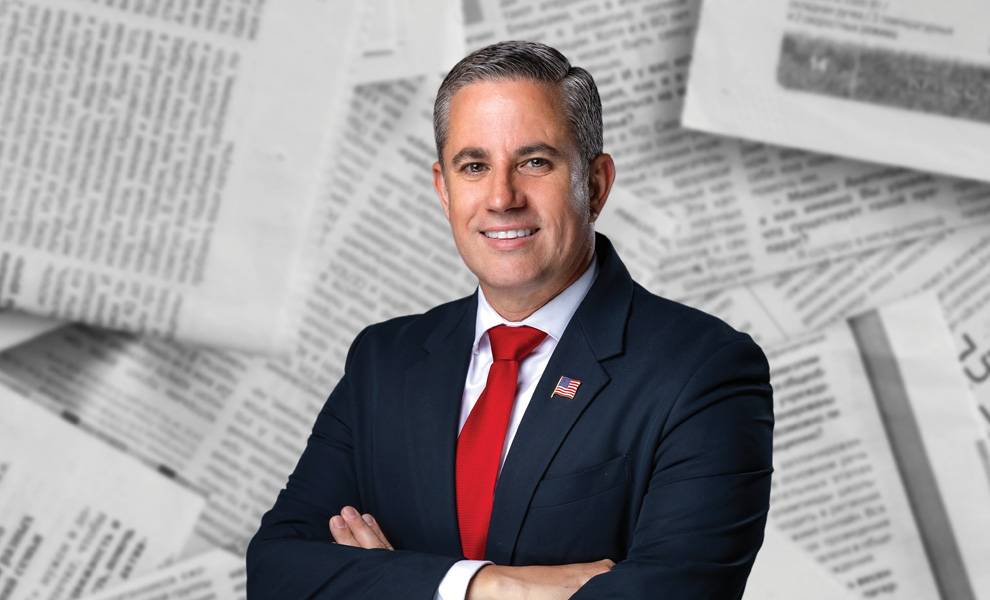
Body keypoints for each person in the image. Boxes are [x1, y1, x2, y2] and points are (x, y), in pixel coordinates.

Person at [246, 41, 774, 599]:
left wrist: (386, 581)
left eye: (534, 162)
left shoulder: (703, 369)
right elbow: (277, 572)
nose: (502, 197)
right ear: (443, 190)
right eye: (474, 166)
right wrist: (491, 587)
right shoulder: (385, 359)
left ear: (594, 185)